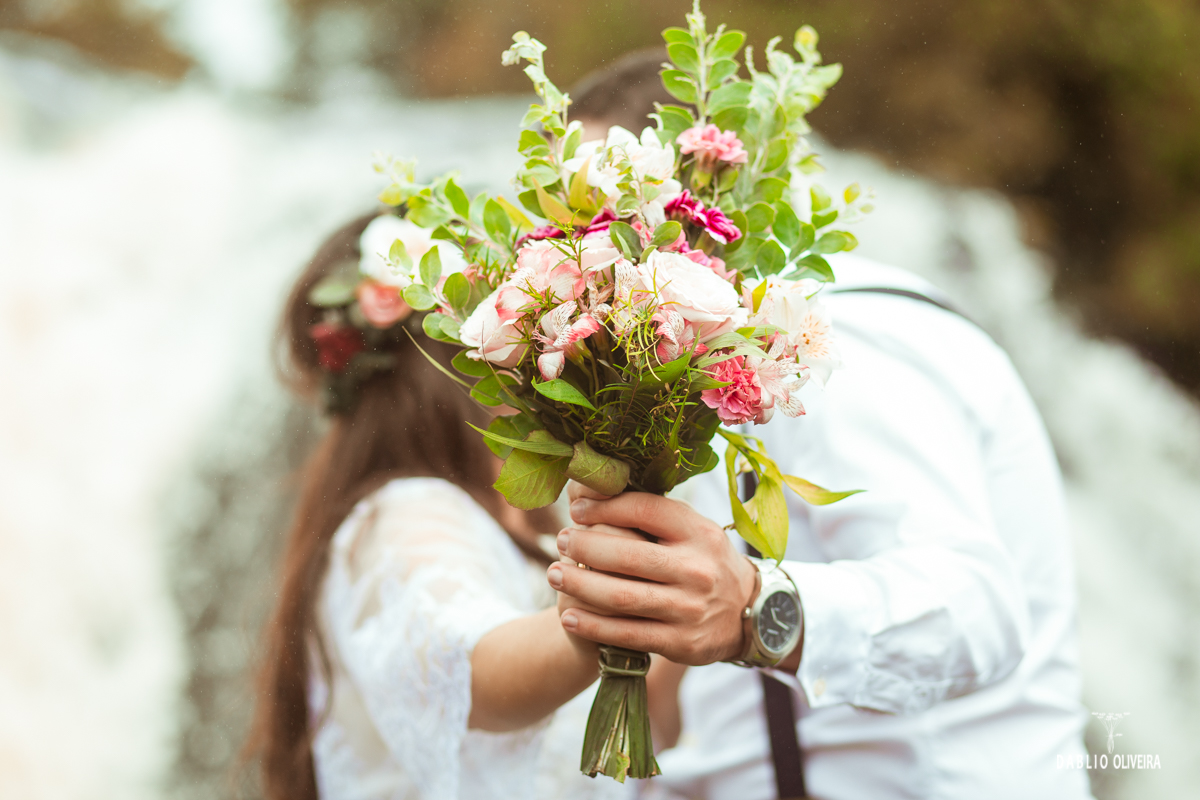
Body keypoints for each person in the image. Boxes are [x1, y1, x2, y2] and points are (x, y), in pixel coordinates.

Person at [550, 58, 1097, 799]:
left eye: (596, 214)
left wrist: (754, 612)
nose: (575, 247)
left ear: (696, 200)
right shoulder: (703, 364)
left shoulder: (835, 347)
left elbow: (976, 606)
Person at [246, 214, 639, 800]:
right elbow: (469, 664)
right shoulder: (407, 515)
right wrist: (604, 613)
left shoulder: (519, 518)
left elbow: (648, 731)